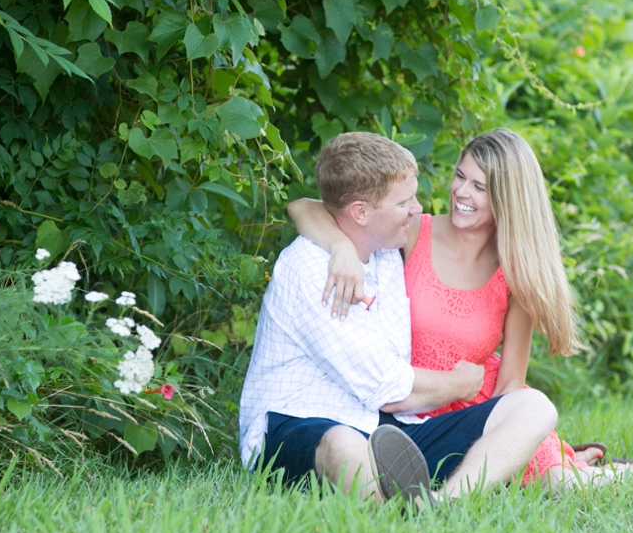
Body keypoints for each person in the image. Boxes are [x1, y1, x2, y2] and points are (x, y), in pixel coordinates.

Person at [288, 128, 633, 491]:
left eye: (479, 187)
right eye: (460, 176)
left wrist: (493, 431)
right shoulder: (411, 233)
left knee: (557, 483)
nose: (461, 192)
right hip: (408, 405)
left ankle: (611, 474)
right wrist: (340, 246)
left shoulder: (513, 274)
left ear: (506, 200)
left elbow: (509, 385)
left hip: (475, 403)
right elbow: (305, 207)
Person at [239, 131, 560, 504]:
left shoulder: (387, 252)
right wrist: (462, 382)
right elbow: (389, 390)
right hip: (300, 424)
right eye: (405, 201)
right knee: (345, 444)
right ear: (361, 212)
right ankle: (387, 519)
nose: (419, 208)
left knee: (536, 408)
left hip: (389, 426)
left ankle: (442, 504)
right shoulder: (314, 269)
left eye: (479, 186)